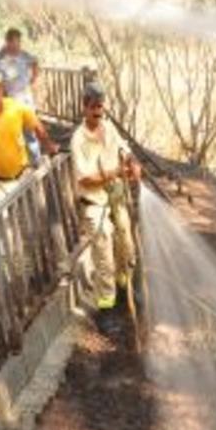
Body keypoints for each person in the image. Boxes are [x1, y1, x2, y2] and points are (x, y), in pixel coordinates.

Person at [71, 82, 141, 310]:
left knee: (127, 248)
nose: (98, 113)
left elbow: (124, 148)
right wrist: (117, 172)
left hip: (116, 198)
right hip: (94, 203)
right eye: (94, 108)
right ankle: (106, 307)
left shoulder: (109, 128)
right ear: (84, 107)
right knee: (104, 259)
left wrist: (133, 162)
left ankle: (124, 289)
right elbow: (85, 179)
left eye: (101, 108)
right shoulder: (78, 140)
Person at [0, 68, 58, 203]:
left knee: (24, 216)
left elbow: (37, 126)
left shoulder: (16, 107)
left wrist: (50, 146)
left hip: (20, 177)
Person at [0, 28, 43, 165]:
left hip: (26, 99)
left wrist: (33, 78)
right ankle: (17, 161)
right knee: (12, 133)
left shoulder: (25, 56)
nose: (17, 45)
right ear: (8, 42)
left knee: (30, 131)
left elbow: (35, 62)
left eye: (18, 42)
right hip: (10, 100)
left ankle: (35, 160)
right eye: (13, 42)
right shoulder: (0, 58)